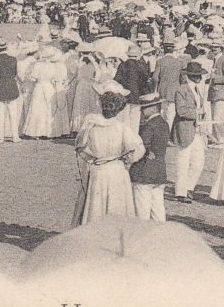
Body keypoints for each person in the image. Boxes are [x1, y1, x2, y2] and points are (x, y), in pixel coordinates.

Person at [71, 88, 146, 227]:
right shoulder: (122, 128)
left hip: (98, 170)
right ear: (118, 110)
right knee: (117, 207)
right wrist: (129, 159)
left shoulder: (91, 127)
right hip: (117, 171)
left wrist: (92, 159)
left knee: (96, 207)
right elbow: (139, 148)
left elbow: (80, 147)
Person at [171, 61, 209, 204]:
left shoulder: (198, 90)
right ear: (189, 76)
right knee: (183, 163)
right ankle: (181, 192)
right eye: (196, 75)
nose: (199, 77)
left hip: (197, 130)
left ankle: (189, 187)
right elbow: (181, 111)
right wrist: (197, 112)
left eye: (199, 75)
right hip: (184, 130)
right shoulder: (181, 90)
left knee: (198, 163)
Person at [130, 93, 170, 221]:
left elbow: (142, 148)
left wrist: (129, 161)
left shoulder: (148, 126)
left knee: (142, 211)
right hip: (159, 171)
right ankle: (161, 232)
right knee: (158, 209)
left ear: (153, 108)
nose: (142, 111)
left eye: (144, 108)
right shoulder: (164, 124)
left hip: (144, 173)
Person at [22, 46, 59, 139]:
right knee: (48, 108)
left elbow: (33, 77)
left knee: (37, 108)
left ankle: (35, 132)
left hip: (39, 87)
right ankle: (48, 132)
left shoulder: (37, 65)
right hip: (49, 87)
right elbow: (55, 78)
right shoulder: (53, 66)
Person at [0, 38, 22, 143]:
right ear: (6, 47)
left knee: (0, 114)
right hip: (12, 86)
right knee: (13, 114)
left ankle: (0, 137)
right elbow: (15, 73)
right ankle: (15, 136)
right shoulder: (13, 59)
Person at [208, 41, 224, 146]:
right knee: (214, 117)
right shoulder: (215, 60)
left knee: (218, 118)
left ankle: (221, 140)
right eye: (212, 47)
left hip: (221, 94)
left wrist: (215, 78)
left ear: (221, 48)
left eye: (216, 47)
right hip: (215, 93)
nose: (214, 48)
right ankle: (216, 139)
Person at [152, 41, 183, 128]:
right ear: (173, 50)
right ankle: (169, 131)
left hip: (163, 91)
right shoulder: (178, 62)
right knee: (171, 114)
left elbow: (155, 78)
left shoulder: (160, 62)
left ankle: (163, 132)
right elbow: (182, 78)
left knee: (162, 113)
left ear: (164, 50)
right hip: (175, 91)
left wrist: (155, 88)